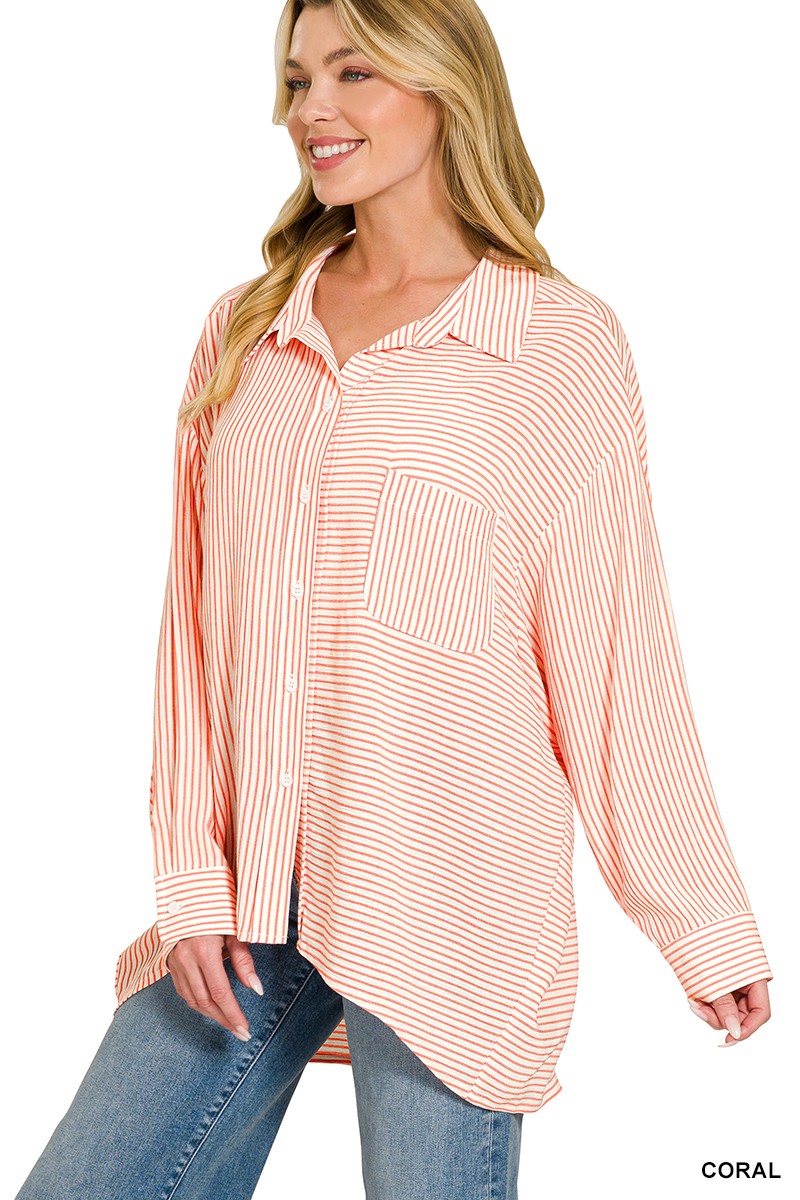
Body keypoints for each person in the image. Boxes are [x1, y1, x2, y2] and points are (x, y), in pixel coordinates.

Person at [15, 0, 773, 1197]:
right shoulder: (246, 333)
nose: (310, 109)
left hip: (451, 894)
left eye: (352, 72)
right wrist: (190, 880)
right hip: (252, 883)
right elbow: (190, 642)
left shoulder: (555, 344)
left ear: (443, 86)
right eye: (297, 78)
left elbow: (615, 658)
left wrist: (701, 922)